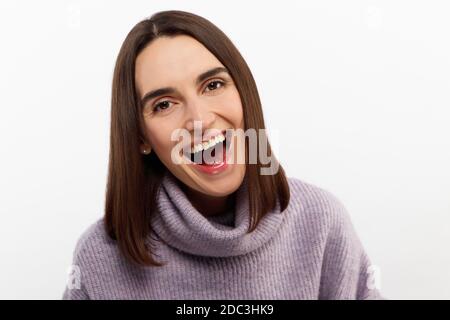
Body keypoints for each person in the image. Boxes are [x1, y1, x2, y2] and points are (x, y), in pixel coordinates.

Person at [62, 10, 384, 300]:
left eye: (213, 85)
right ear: (140, 137)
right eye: (164, 104)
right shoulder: (98, 257)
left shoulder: (321, 222)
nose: (199, 120)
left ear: (244, 93)